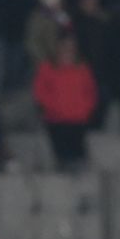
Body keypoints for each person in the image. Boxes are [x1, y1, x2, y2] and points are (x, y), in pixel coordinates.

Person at [32, 35, 97, 169]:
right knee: (62, 157)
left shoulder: (82, 68)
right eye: (64, 47)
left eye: (71, 47)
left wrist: (84, 109)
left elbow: (91, 92)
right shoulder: (47, 68)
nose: (67, 50)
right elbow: (39, 92)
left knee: (79, 156)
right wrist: (53, 108)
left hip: (78, 120)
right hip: (56, 120)